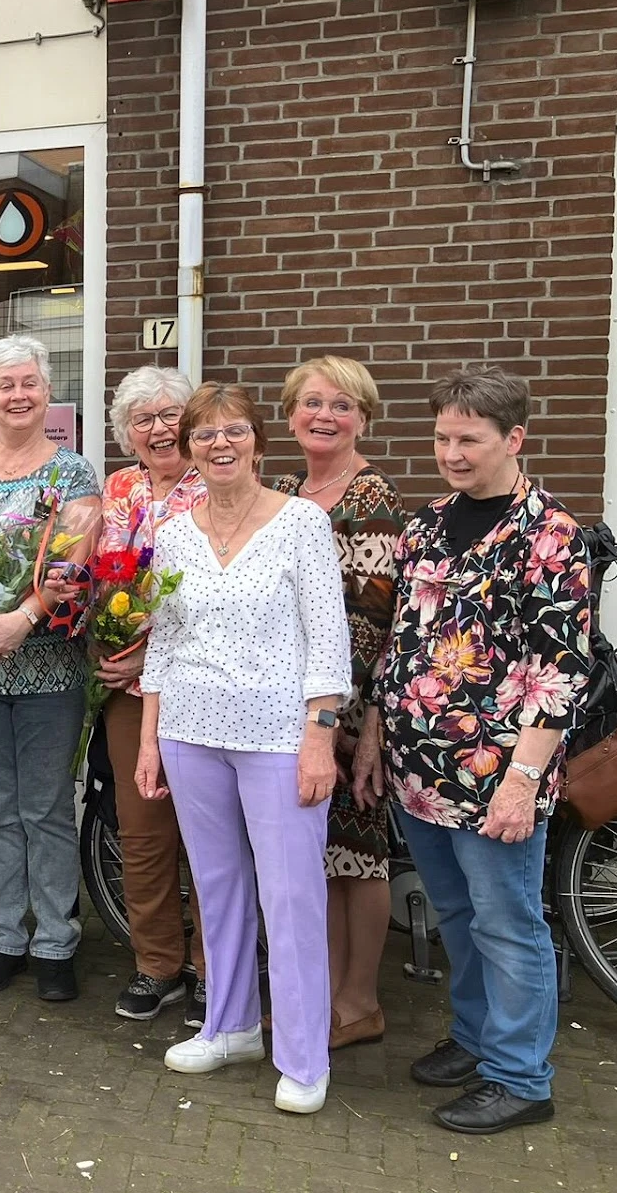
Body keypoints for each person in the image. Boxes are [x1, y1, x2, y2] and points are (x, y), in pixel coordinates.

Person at [355, 365, 592, 1135]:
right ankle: (478, 1036)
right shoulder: (426, 524)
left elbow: (558, 673)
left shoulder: (550, 536)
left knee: (507, 922)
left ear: (513, 438)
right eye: (441, 438)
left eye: (469, 440)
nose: (451, 454)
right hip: (420, 771)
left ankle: (520, 1078)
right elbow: (401, 640)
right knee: (456, 911)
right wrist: (373, 734)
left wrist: (523, 782)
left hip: (497, 775)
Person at [135, 383, 350, 1116]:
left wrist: (320, 739)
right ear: (189, 449)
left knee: (291, 897)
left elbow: (329, 642)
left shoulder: (301, 523)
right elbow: (164, 642)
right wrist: (149, 741)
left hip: (278, 739)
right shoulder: (175, 533)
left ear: (258, 440)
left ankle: (303, 1055)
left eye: (234, 431)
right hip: (189, 732)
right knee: (216, 886)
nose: (219, 444)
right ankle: (228, 1027)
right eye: (204, 434)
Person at [0, 335, 101, 1003]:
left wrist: (25, 616)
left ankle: (56, 941)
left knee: (46, 810)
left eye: (29, 382)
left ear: (47, 391)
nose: (18, 395)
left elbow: (72, 569)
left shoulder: (74, 475)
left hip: (49, 673)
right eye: (5, 385)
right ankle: (5, 937)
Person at [269, 355, 405, 1051]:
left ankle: (360, 1002)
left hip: (347, 705)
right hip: (285, 699)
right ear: (290, 413)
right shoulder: (284, 490)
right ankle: (321, 997)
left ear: (363, 419)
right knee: (316, 854)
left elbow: (372, 618)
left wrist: (340, 715)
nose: (324, 416)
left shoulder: (370, 497)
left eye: (342, 405)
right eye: (312, 403)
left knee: (359, 851)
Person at [97, 365, 207, 1024]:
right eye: (144, 419)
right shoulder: (119, 488)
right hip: (129, 690)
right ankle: (157, 964)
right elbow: (94, 572)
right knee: (141, 830)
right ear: (127, 432)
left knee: (209, 833)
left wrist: (149, 649)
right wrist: (99, 638)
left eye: (172, 415)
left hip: (199, 682)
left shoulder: (217, 485)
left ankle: (213, 969)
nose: (160, 428)